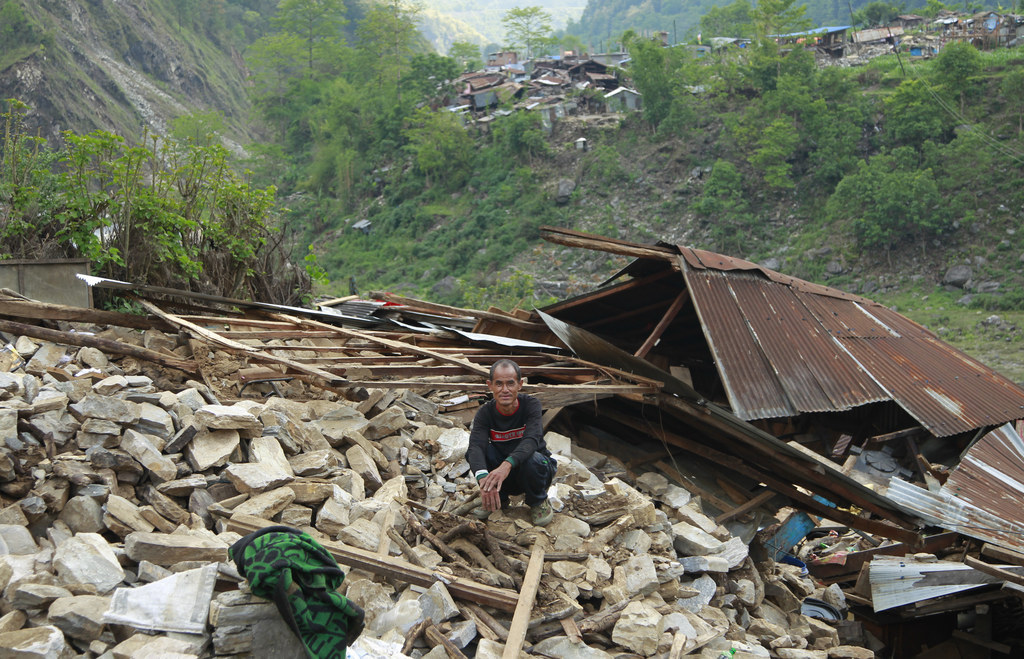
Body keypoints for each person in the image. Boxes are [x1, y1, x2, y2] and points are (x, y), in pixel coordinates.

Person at [466, 359, 556, 526]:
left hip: (535, 472)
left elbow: (531, 439)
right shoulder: (485, 413)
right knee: (477, 454)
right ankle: (496, 498)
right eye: (498, 384)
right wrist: (484, 479)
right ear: (490, 385)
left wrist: (506, 465)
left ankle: (538, 501)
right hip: (504, 479)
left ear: (520, 385)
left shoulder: (531, 405)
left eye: (510, 383)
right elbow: (476, 447)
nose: (505, 390)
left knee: (532, 457)